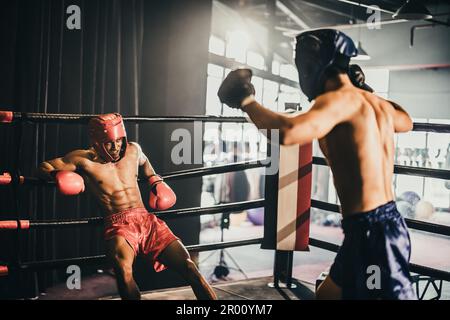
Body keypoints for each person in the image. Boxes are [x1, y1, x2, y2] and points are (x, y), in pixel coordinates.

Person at [217, 29, 416, 300]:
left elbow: (287, 131)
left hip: (373, 234)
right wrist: (367, 90)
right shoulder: (369, 102)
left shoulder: (337, 101)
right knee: (326, 296)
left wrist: (246, 101)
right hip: (376, 226)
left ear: (313, 64)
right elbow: (406, 120)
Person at [37, 113, 217, 300]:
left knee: (189, 266)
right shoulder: (83, 160)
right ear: (97, 142)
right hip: (119, 226)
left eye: (119, 141)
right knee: (124, 273)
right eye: (109, 143)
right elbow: (43, 167)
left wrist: (155, 181)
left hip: (147, 220)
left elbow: (145, 162)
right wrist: (58, 175)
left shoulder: (133, 150)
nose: (116, 147)